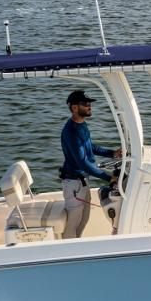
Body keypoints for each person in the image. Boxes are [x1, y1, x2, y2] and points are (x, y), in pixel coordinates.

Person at [59, 89, 121, 239]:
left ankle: (77, 247)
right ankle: (67, 250)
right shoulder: (71, 131)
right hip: (74, 184)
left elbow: (90, 146)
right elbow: (83, 163)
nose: (89, 106)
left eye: (89, 103)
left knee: (84, 220)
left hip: (82, 181)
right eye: (85, 104)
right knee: (73, 224)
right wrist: (109, 178)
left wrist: (113, 153)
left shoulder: (81, 125)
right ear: (74, 107)